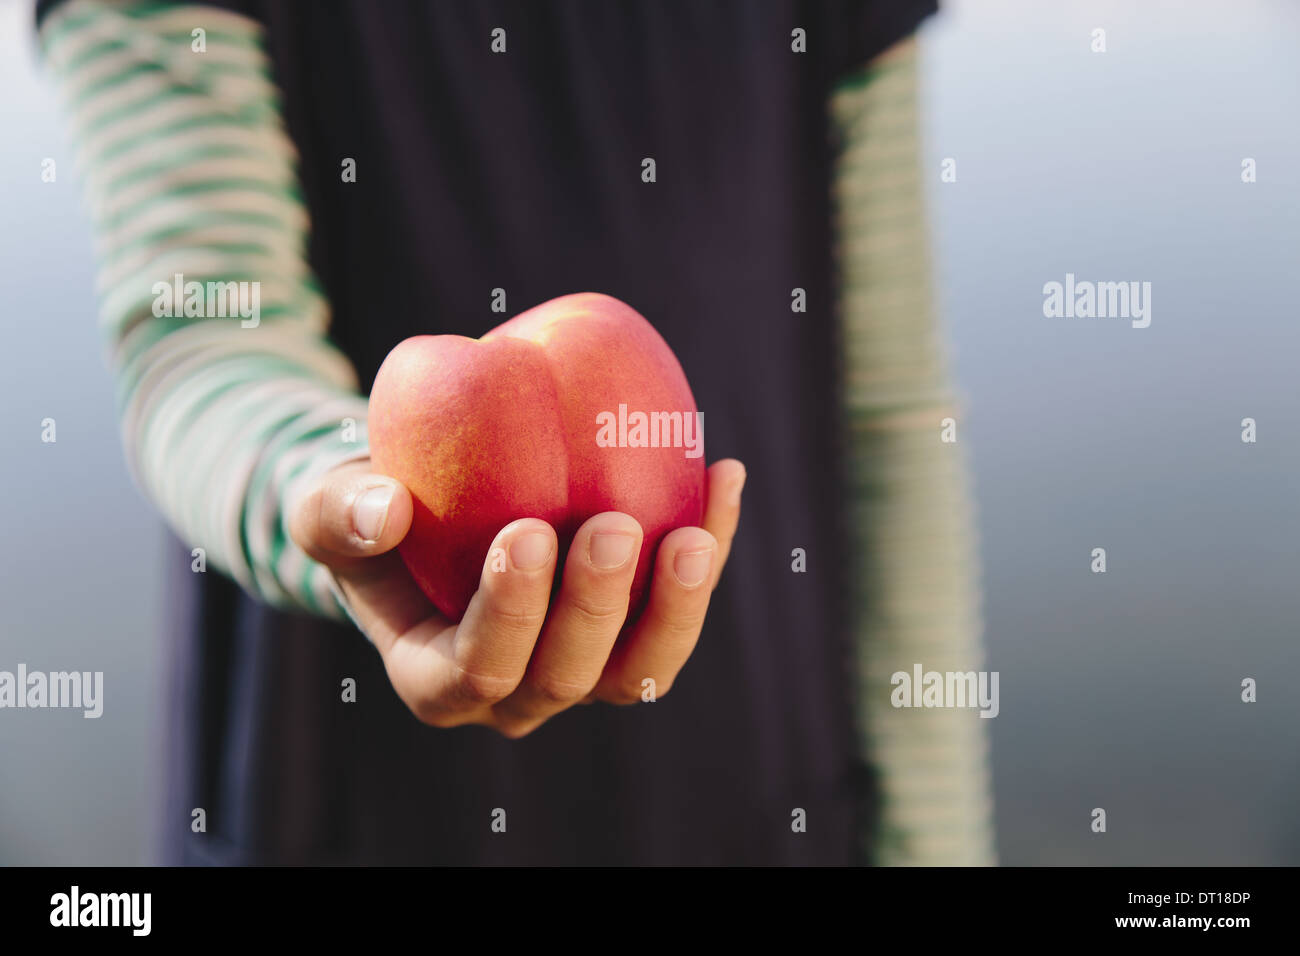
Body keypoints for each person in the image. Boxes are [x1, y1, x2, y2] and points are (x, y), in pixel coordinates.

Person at [37, 0, 994, 865]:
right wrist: (342, 489)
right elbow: (201, 337)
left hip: (760, 778)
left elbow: (890, 414)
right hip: (343, 791)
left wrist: (933, 840)